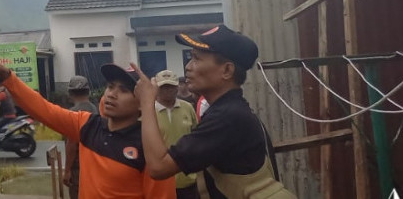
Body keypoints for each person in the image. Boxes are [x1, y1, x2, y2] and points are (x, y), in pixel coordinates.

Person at [0, 50, 176, 199]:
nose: (112, 94)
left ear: (142, 102)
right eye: (110, 87)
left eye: (123, 90)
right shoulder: (87, 124)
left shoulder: (149, 148)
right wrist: (6, 75)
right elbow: (43, 109)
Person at [134, 25, 296, 199]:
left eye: (196, 58)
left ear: (227, 70)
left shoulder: (227, 117)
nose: (188, 67)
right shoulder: (232, 111)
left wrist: (146, 103)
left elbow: (159, 167)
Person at [154, 70, 200, 199]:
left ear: (177, 87)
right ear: (156, 89)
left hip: (187, 178)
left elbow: (196, 136)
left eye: (171, 86)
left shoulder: (188, 108)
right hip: (161, 180)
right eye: (164, 87)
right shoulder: (148, 113)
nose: (168, 90)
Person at [63, 76, 98, 199]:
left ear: (70, 93)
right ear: (88, 91)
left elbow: (71, 144)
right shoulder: (96, 110)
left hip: (79, 168)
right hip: (96, 165)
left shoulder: (72, 114)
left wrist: (67, 170)